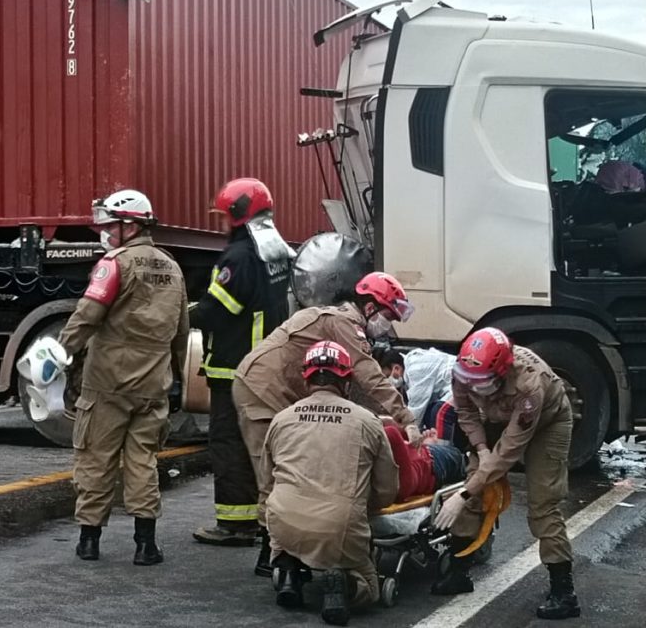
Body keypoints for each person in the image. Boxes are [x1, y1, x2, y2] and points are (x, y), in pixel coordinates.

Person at [234, 271, 421, 576]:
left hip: (281, 389)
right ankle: (273, 555)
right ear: (371, 306)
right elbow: (369, 375)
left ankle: (293, 546)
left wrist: (389, 418)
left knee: (302, 462)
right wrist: (406, 418)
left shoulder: (342, 326)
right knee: (283, 468)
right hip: (262, 390)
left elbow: (354, 387)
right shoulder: (344, 323)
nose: (390, 324)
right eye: (389, 315)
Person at [58, 189, 189, 565]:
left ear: (129, 225)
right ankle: (146, 545)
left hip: (108, 384)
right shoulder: (172, 267)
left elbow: (87, 315)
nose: (105, 232)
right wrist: (176, 378)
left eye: (110, 225)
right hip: (153, 385)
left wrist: (60, 354)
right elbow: (181, 332)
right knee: (143, 461)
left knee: (95, 458)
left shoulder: (113, 263)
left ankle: (89, 541)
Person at [431, 327, 579, 620]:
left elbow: (509, 452)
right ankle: (460, 571)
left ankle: (564, 591)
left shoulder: (529, 386)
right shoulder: (465, 370)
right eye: (467, 381)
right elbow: (467, 413)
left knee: (543, 503)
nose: (471, 386)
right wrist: (481, 447)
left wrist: (461, 494)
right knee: (475, 483)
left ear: (501, 371)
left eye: (479, 382)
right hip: (496, 417)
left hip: (547, 422)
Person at [260, 341, 398, 625]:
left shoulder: (281, 419)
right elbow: (387, 489)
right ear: (346, 380)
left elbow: (266, 482)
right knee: (371, 591)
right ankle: (347, 584)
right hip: (340, 527)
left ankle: (289, 572)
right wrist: (364, 505)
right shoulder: (367, 422)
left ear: (307, 377)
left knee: (279, 512)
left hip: (284, 523)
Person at [191, 178, 292, 547]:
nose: (220, 223)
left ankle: (236, 523)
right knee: (264, 444)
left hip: (235, 367)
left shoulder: (237, 257)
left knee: (229, 442)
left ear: (237, 215)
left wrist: (183, 313)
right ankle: (264, 519)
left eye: (223, 216)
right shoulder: (275, 251)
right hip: (268, 365)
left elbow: (218, 311)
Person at [377, 348, 462, 446]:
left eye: (387, 376)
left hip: (459, 386)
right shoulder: (410, 366)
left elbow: (415, 415)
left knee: (439, 412)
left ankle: (444, 453)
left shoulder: (416, 369)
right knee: (430, 414)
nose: (388, 382)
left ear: (396, 368)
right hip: (450, 389)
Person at [382, 425, 465, 501]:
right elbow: (391, 432)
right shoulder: (401, 485)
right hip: (434, 462)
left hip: (422, 451)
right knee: (467, 462)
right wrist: (408, 426)